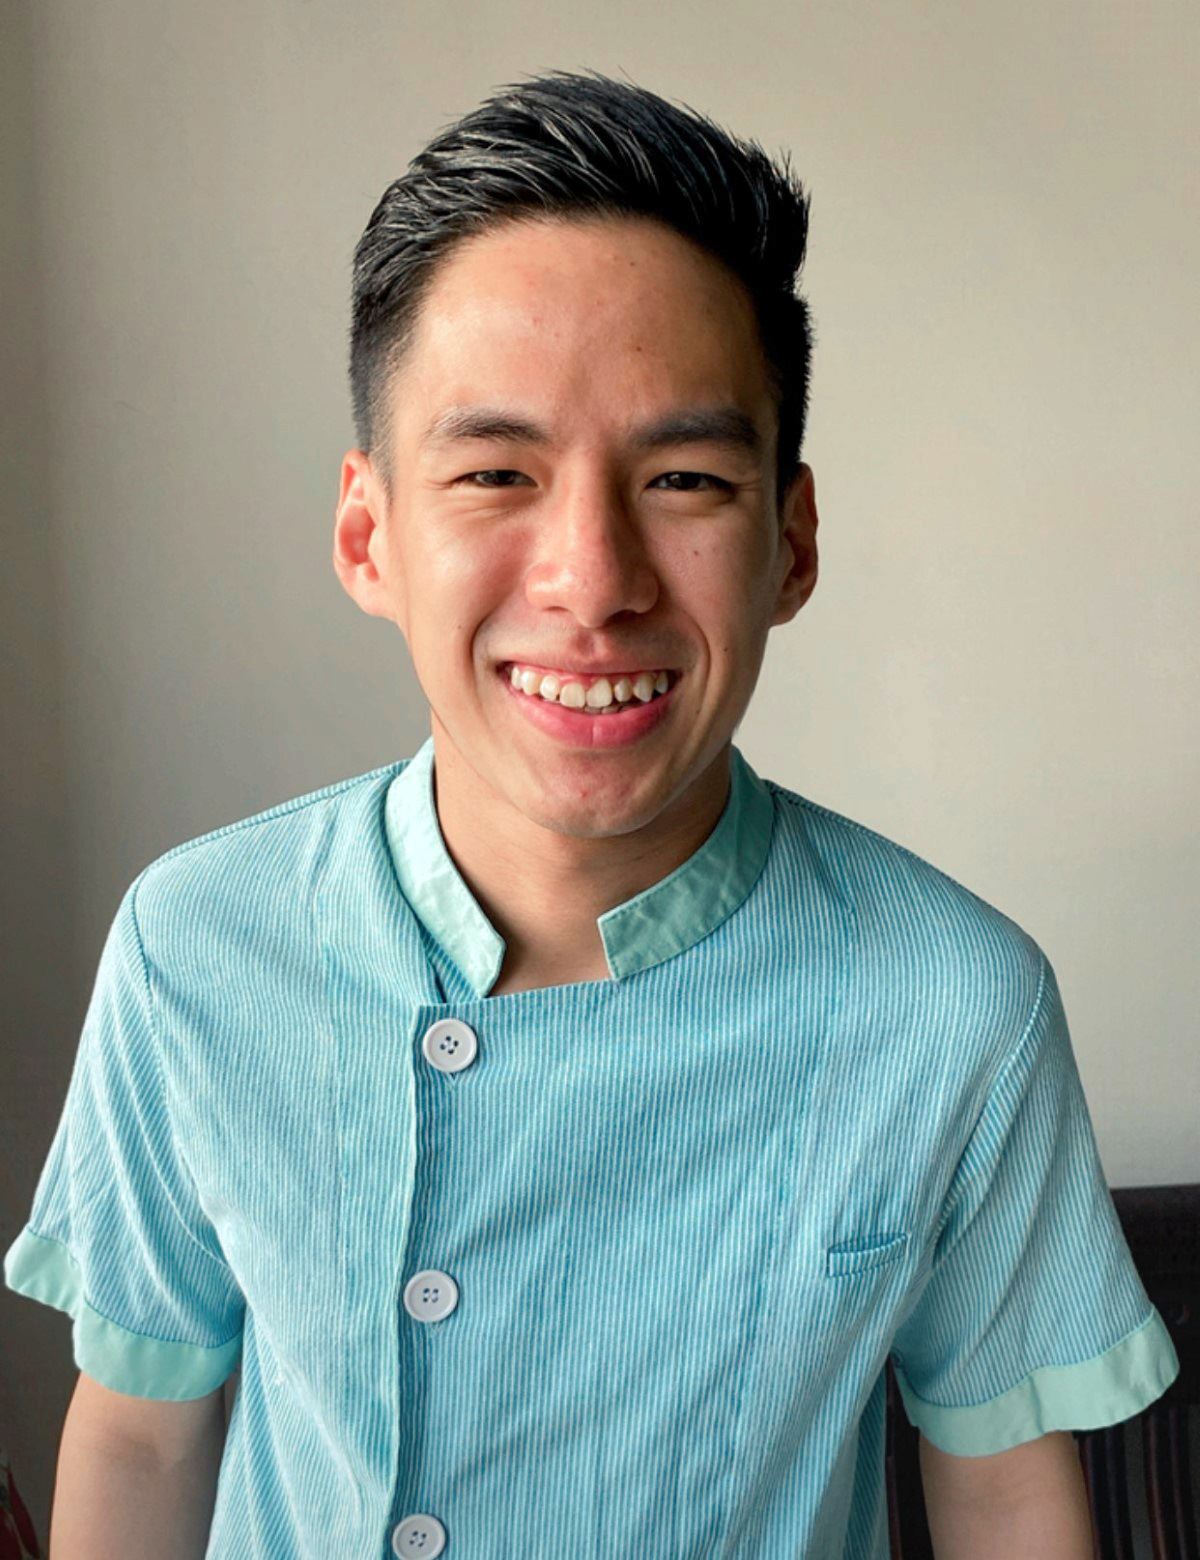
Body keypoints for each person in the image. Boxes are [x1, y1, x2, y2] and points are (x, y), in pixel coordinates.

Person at [4, 67, 1179, 1560]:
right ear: (370, 535)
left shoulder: (957, 1005)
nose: (593, 578)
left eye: (684, 476)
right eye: (496, 470)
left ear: (792, 545)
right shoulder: (197, 944)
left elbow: (1009, 1494)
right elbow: (144, 1433)